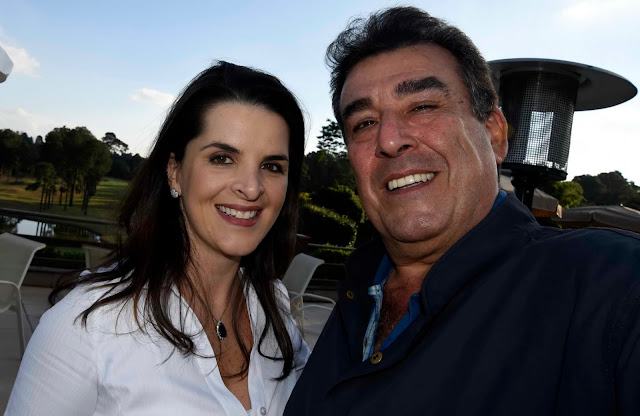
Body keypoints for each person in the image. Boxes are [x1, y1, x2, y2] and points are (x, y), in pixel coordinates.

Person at [285, 7, 640, 416]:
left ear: (494, 133)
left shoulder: (612, 285)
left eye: (422, 106)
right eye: (364, 123)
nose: (389, 140)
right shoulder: (359, 289)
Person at [6, 61, 309, 416]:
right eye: (223, 158)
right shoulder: (87, 326)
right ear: (175, 171)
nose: (252, 187)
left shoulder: (275, 309)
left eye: (272, 166)